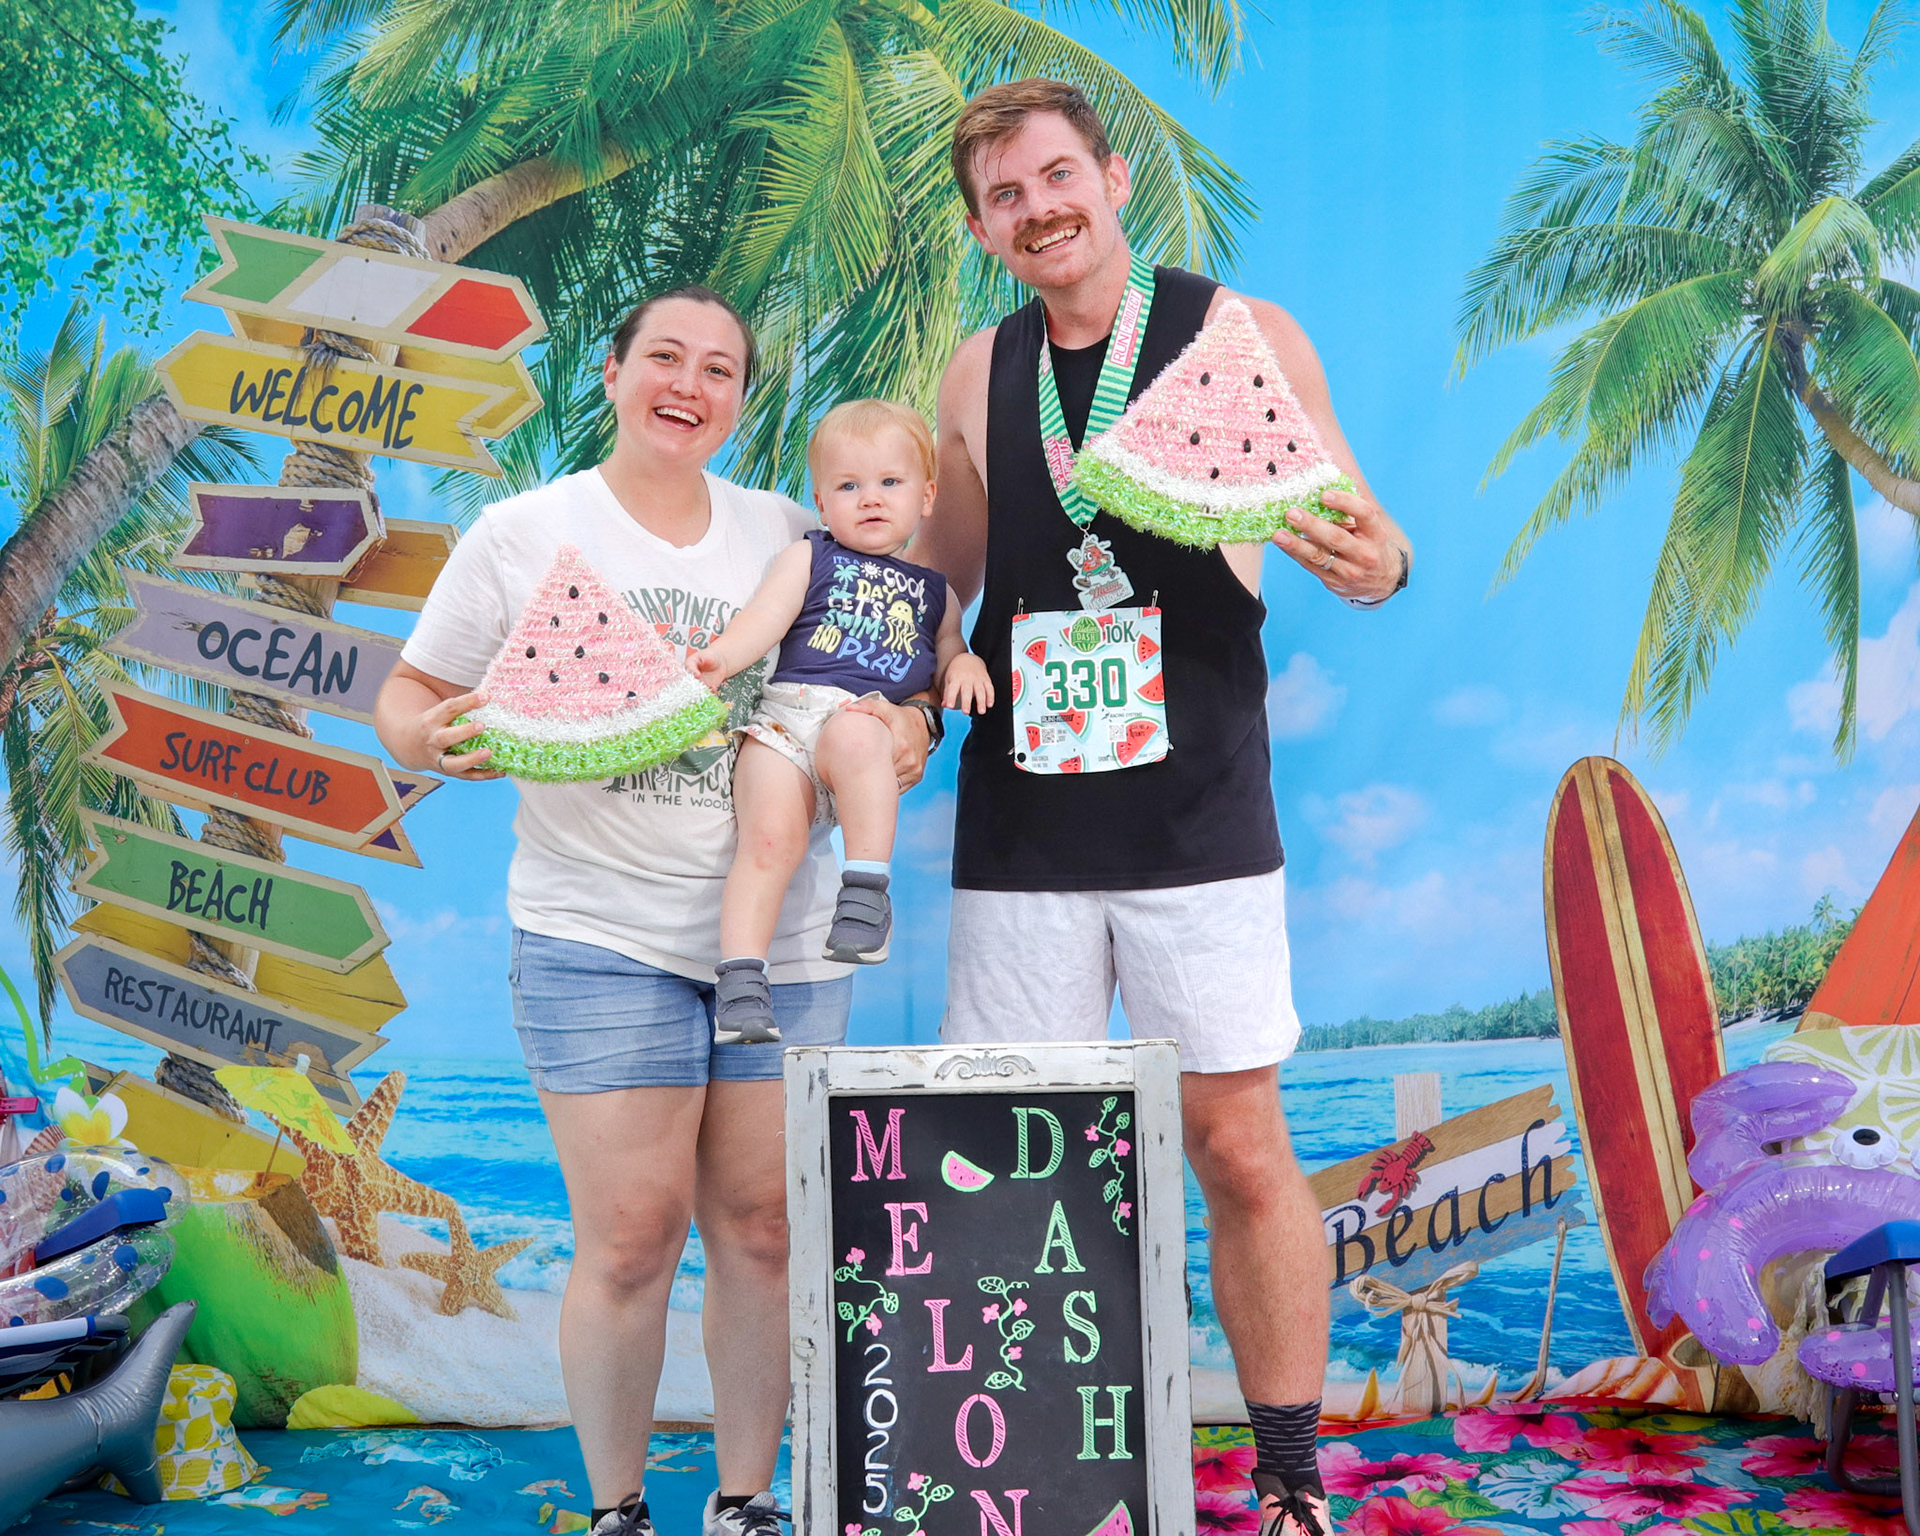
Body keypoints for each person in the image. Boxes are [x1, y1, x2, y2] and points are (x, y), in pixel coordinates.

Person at [914, 80, 1414, 1536]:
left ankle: (1290, 1476)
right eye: (1006, 196)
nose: (1040, 210)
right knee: (1023, 1165)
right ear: (982, 228)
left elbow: (1367, 530)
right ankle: (1034, 1481)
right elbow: (947, 582)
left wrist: (1380, 566)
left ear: (1114, 176)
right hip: (1020, 830)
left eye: (1058, 175)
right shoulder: (974, 373)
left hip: (1199, 819)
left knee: (1240, 1151)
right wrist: (883, 691)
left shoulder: (1241, 335)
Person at [372, 288, 934, 1536]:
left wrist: (913, 723)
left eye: (720, 368)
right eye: (665, 358)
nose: (690, 384)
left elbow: (891, 676)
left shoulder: (793, 529)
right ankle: (619, 1509)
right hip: (599, 935)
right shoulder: (525, 534)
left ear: (741, 399)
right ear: (613, 371)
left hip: (785, 942)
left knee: (764, 1230)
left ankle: (744, 1502)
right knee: (630, 1240)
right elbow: (406, 698)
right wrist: (434, 740)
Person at [689, 400, 990, 1042]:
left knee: (857, 729)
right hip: (785, 723)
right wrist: (722, 658)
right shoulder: (810, 557)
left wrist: (965, 663)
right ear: (822, 505)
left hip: (860, 730)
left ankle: (865, 893)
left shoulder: (938, 593)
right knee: (767, 843)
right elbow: (765, 618)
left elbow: (947, 656)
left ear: (926, 496)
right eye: (848, 486)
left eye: (890, 482)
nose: (870, 498)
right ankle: (741, 981)